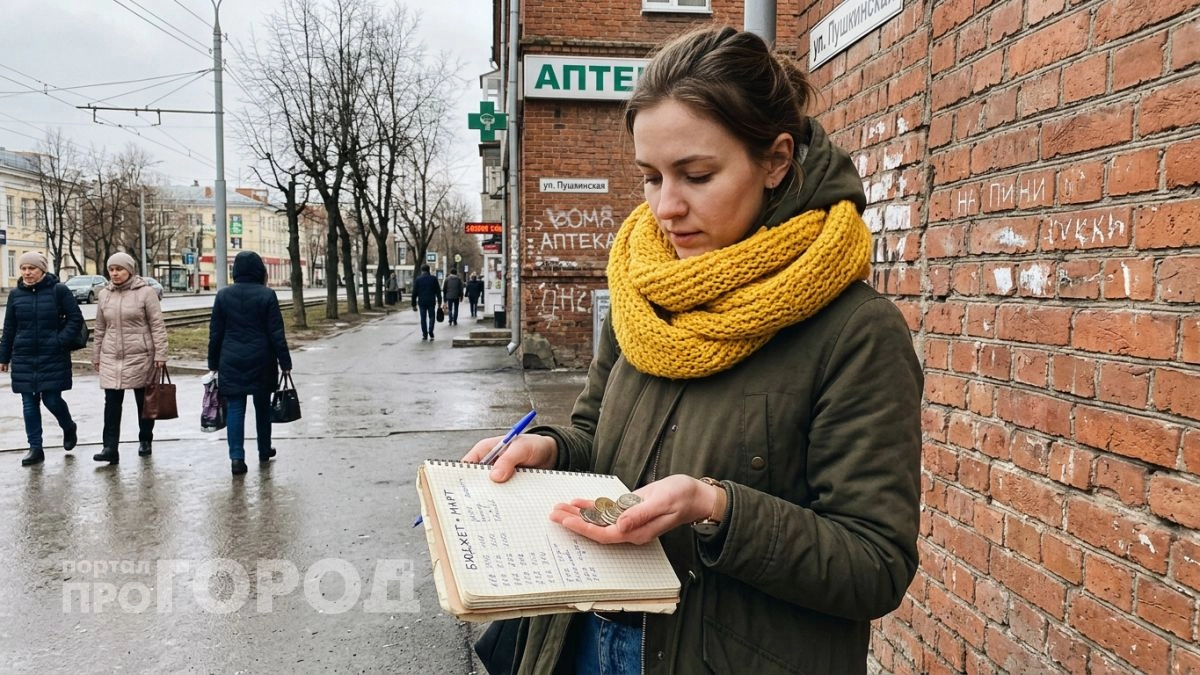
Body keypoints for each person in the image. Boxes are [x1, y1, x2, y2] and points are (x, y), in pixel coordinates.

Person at [462, 26, 922, 675]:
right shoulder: (643, 288)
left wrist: (716, 508)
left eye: (696, 175)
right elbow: (597, 436)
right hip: (584, 641)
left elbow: (875, 564)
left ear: (776, 161)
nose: (665, 208)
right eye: (650, 177)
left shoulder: (856, 332)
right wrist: (553, 451)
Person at [207, 251, 293, 475]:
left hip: (231, 359)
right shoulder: (267, 295)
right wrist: (285, 362)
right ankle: (264, 449)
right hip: (262, 358)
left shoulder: (223, 295)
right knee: (262, 407)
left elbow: (215, 333)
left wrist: (213, 362)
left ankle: (237, 458)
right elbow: (276, 333)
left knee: (235, 408)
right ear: (259, 270)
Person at [0, 252, 82, 466]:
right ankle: (35, 448)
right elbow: (9, 328)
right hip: (24, 356)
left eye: (32, 268)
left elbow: (75, 319)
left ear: (42, 270)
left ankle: (68, 426)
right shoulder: (16, 295)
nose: (27, 273)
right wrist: (4, 356)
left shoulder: (59, 291)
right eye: (23, 268)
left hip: (52, 355)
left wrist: (59, 341)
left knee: (52, 400)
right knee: (29, 403)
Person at [91, 253, 168, 464]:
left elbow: (157, 325)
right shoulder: (104, 294)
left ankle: (145, 439)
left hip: (141, 355)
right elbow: (100, 328)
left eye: (119, 269)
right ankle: (109, 448)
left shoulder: (146, 293)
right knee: (111, 403)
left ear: (130, 270)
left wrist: (161, 354)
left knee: (143, 401)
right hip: (111, 355)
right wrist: (96, 355)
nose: (115, 273)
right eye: (111, 269)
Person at [411, 264, 441, 340]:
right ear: (428, 270)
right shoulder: (433, 279)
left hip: (422, 302)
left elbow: (414, 293)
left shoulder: (418, 279)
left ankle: (425, 334)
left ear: (422, 270)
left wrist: (413, 304)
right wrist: (439, 302)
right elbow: (438, 291)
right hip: (431, 301)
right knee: (432, 317)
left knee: (423, 318)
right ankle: (431, 331)